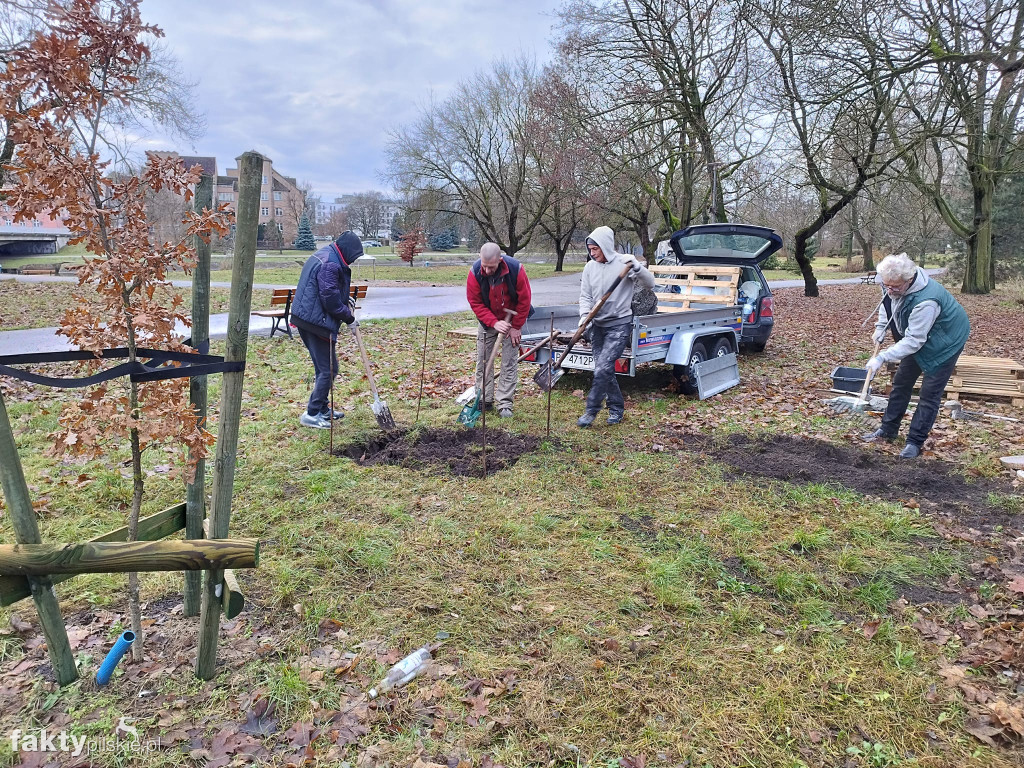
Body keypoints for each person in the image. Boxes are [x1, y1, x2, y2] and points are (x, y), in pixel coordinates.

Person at [862, 252, 970, 458]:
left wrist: (882, 357)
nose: (889, 289)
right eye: (886, 285)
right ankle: (888, 429)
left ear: (909, 280)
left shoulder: (926, 302)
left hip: (945, 341)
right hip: (920, 335)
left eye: (895, 286)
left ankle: (914, 442)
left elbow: (914, 341)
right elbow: (887, 302)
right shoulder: (892, 284)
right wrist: (880, 327)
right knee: (902, 381)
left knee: (929, 393)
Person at [576, 226, 655, 427]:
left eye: (596, 249)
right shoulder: (590, 268)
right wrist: (585, 316)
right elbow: (585, 296)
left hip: (619, 325)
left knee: (602, 368)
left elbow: (650, 283)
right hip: (597, 325)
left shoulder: (624, 263)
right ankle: (617, 408)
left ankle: (590, 411)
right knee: (604, 369)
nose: (592, 253)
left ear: (606, 246)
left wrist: (638, 267)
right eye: (590, 249)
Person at [291, 231, 362, 429]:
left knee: (323, 368)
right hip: (316, 323)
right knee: (329, 369)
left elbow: (327, 290)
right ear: (347, 251)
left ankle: (322, 408)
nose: (354, 261)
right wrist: (349, 318)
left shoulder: (328, 255)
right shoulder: (330, 264)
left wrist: (344, 299)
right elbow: (329, 299)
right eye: (354, 256)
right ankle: (312, 413)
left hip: (308, 318)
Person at [466, 242, 532, 418]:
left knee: (509, 363)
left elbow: (524, 300)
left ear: (500, 261)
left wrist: (516, 327)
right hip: (488, 321)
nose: (487, 271)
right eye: (484, 266)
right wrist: (494, 322)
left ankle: (505, 404)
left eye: (491, 267)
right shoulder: (474, 273)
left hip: (512, 320)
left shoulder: (516, 270)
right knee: (483, 360)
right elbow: (475, 303)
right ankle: (484, 400)